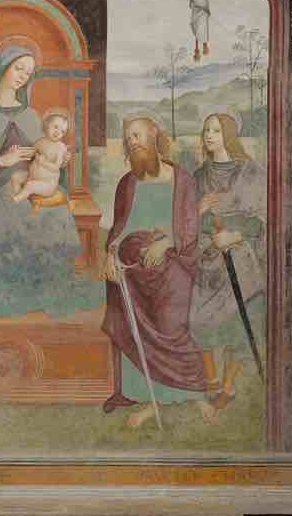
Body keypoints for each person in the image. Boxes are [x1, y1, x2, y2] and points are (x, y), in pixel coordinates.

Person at [0, 42, 97, 320]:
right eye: (19, 68)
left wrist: (58, 160)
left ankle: (42, 287)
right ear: (3, 68)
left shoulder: (30, 115)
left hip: (25, 183)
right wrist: (2, 161)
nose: (23, 75)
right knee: (7, 209)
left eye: (29, 72)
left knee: (54, 209)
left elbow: (40, 156)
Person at [102, 115, 216, 428]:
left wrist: (165, 243)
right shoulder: (127, 183)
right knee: (132, 327)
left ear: (154, 135)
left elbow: (189, 225)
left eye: (137, 135)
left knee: (172, 327)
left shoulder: (182, 180)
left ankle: (195, 393)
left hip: (172, 265)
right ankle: (148, 399)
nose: (133, 142)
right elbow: (119, 228)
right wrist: (110, 255)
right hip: (132, 271)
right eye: (128, 138)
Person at [189, 112, 267, 409]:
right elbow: (186, 219)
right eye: (206, 130)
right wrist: (198, 213)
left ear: (229, 135)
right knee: (198, 320)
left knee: (238, 327)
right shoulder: (198, 176)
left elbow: (263, 217)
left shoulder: (251, 172)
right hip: (206, 259)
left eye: (216, 130)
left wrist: (234, 235)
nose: (209, 135)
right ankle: (210, 379)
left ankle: (228, 385)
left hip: (240, 258)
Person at [9, 109, 71, 205]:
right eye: (55, 127)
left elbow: (56, 167)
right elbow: (30, 153)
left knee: (30, 185)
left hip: (47, 185)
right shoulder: (40, 142)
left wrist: (43, 162)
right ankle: (19, 196)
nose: (58, 132)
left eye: (62, 131)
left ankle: (15, 201)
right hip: (32, 177)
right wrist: (17, 150)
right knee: (15, 176)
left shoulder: (60, 147)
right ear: (47, 125)